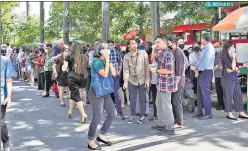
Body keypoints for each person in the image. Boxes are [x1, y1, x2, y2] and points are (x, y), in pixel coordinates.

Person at [88, 41, 116, 150]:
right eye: (105, 49)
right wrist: (107, 60)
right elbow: (104, 74)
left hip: (105, 91)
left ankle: (102, 135)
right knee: (97, 117)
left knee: (112, 114)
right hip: (96, 92)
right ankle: (91, 140)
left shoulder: (106, 61)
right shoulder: (96, 62)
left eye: (108, 48)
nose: (108, 50)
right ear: (100, 51)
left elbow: (113, 73)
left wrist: (109, 62)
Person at [150, 35, 176, 136]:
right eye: (156, 42)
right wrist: (153, 49)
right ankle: (161, 124)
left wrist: (156, 70)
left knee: (167, 106)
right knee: (159, 105)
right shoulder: (161, 52)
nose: (157, 44)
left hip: (166, 84)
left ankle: (170, 128)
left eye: (158, 42)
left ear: (165, 43)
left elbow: (169, 70)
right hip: (160, 83)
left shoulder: (168, 54)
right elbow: (153, 59)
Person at [123, 39, 150, 124]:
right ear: (129, 46)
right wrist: (125, 82)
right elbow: (126, 70)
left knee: (143, 99)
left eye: (135, 43)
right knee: (132, 99)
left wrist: (147, 80)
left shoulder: (143, 53)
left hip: (142, 79)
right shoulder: (126, 56)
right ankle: (132, 116)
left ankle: (142, 116)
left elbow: (147, 67)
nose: (134, 45)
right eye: (132, 44)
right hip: (132, 79)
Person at [221, 42, 248, 120]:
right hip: (227, 78)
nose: (234, 48)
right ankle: (229, 113)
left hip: (234, 77)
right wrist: (233, 59)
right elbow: (232, 67)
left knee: (238, 94)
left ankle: (241, 112)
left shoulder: (232, 55)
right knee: (228, 95)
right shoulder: (225, 57)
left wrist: (237, 68)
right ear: (228, 48)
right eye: (232, 47)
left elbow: (235, 67)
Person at [193, 33, 215, 120]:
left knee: (205, 94)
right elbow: (201, 60)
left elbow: (205, 63)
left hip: (206, 72)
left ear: (205, 40)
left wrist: (197, 69)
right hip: (202, 72)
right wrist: (196, 66)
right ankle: (199, 112)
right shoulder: (204, 48)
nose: (201, 40)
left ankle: (208, 113)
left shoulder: (210, 49)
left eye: (202, 39)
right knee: (199, 93)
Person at [66, 43, 87, 123]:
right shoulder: (85, 57)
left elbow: (64, 68)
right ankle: (70, 111)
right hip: (81, 77)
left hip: (72, 78)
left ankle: (83, 114)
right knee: (73, 94)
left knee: (77, 97)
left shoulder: (68, 56)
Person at [167, 36, 185, 128]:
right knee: (174, 101)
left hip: (178, 82)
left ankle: (179, 122)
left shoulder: (178, 53)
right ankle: (175, 119)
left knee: (177, 102)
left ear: (174, 43)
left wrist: (176, 83)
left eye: (169, 44)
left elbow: (179, 70)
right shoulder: (173, 51)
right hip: (174, 81)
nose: (168, 45)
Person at [1, 48, 16, 151]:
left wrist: (9, 96)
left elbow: (9, 79)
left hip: (1, 96)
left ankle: (6, 142)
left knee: (1, 124)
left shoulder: (6, 60)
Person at [108, 40, 125, 120]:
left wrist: (119, 71)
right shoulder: (105, 54)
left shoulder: (117, 52)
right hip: (107, 76)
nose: (110, 46)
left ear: (114, 45)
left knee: (117, 93)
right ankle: (110, 112)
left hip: (115, 76)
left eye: (111, 44)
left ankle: (119, 111)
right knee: (108, 94)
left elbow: (121, 62)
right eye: (109, 45)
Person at [214, 42, 225, 110]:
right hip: (217, 75)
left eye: (217, 46)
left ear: (220, 46)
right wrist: (214, 67)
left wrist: (220, 67)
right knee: (218, 91)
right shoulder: (214, 55)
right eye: (215, 47)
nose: (216, 48)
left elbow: (226, 64)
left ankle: (226, 104)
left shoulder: (224, 54)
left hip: (223, 75)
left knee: (225, 91)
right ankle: (220, 104)